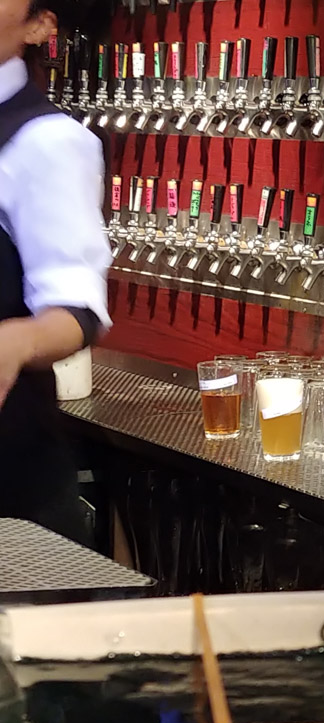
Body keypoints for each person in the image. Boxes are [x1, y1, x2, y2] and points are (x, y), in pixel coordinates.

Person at [0, 0, 112, 544]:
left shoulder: (45, 141)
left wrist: (19, 340)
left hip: (11, 488)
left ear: (40, 25)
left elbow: (75, 307)